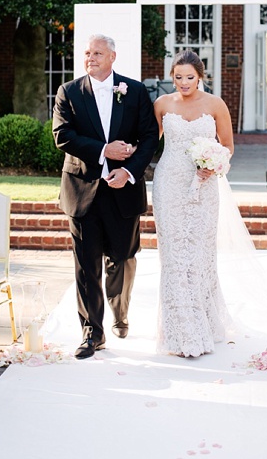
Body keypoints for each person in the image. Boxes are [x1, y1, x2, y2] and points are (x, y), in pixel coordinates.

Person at [52, 34, 159, 359]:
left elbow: (150, 136)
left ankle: (120, 310)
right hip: (82, 191)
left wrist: (128, 172)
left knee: (122, 258)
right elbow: (62, 135)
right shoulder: (68, 92)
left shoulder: (135, 90)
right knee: (86, 266)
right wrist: (103, 150)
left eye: (97, 52)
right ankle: (92, 332)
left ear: (112, 56)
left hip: (122, 192)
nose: (90, 57)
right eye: (87, 53)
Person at [152, 49, 234, 358]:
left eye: (190, 77)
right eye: (178, 77)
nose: (184, 83)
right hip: (169, 184)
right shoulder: (162, 104)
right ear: (171, 77)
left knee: (199, 254)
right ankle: (179, 329)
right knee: (173, 255)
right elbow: (150, 141)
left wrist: (213, 165)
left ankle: (205, 322)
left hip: (204, 187)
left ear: (200, 76)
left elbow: (227, 146)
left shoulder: (215, 105)